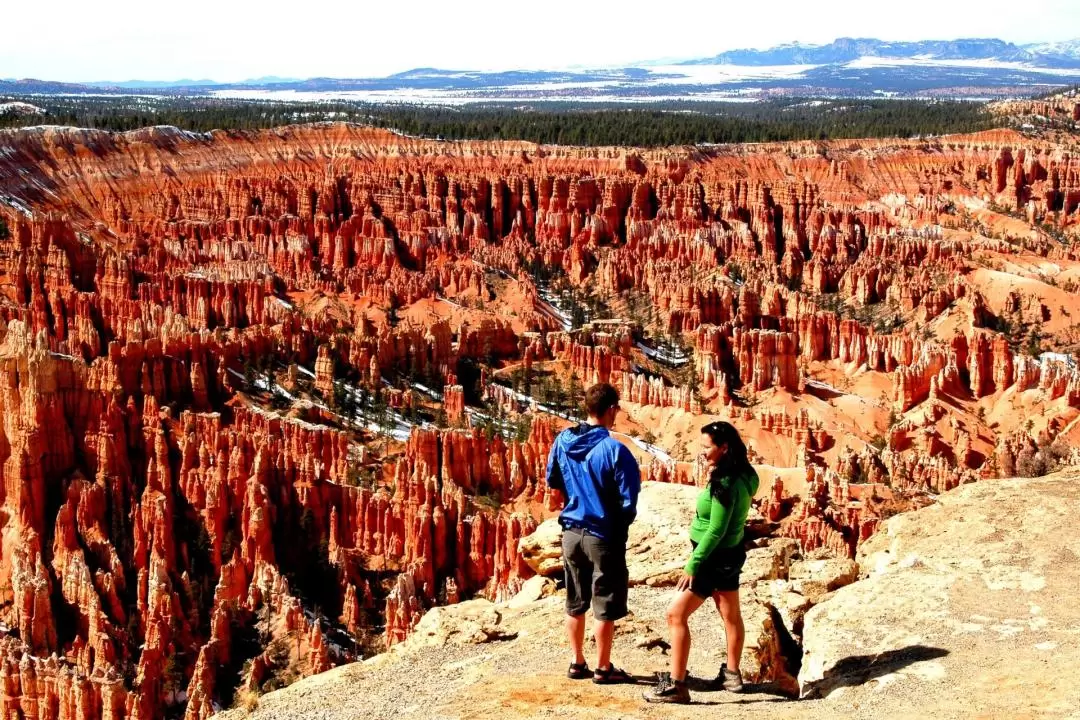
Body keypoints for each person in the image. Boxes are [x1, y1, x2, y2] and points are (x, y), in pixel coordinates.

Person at [644, 420, 759, 704]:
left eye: (707, 447)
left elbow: (716, 529)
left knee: (676, 614)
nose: (702, 452)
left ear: (724, 448)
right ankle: (732, 674)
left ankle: (677, 685)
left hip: (711, 558)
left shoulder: (724, 482)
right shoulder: (747, 474)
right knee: (731, 615)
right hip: (732, 554)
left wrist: (694, 563)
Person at [545, 382, 641, 684]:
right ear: (611, 409)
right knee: (605, 603)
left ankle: (577, 662)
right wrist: (617, 526)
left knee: (575, 600)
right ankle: (603, 667)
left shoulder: (562, 441)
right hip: (603, 535)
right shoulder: (614, 450)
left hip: (571, 532)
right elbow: (629, 500)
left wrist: (578, 494)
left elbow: (552, 479)